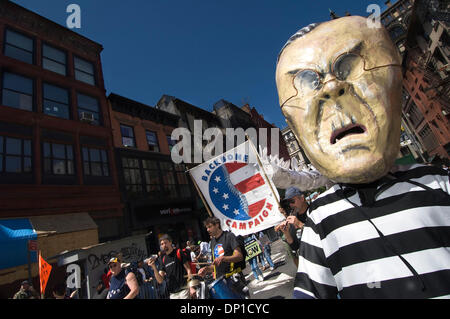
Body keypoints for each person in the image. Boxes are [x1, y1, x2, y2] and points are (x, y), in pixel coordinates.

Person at [275, 15, 450, 299]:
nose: (331, 88)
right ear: (294, 127)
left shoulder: (440, 186)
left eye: (348, 66)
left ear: (396, 84)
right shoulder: (322, 218)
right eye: (309, 82)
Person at [198, 217, 248, 298]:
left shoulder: (229, 236)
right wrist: (206, 269)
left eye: (209, 227)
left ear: (217, 225)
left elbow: (239, 256)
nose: (207, 230)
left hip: (234, 279)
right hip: (221, 282)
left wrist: (223, 258)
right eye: (206, 228)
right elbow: (216, 264)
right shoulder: (212, 242)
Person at [274, 187, 308, 267]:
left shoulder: (313, 212)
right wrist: (287, 233)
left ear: (302, 198)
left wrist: (300, 224)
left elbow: (320, 233)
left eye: (292, 201)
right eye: (289, 202)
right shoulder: (293, 217)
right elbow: (295, 246)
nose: (291, 205)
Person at [151, 234, 192, 299]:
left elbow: (188, 269)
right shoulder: (163, 259)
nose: (164, 245)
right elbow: (160, 280)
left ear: (170, 242)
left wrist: (191, 286)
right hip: (173, 293)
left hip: (184, 290)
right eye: (162, 244)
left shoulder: (178, 252)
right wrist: (154, 267)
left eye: (165, 243)